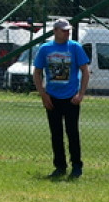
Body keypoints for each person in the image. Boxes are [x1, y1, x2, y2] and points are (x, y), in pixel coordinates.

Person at [32, 18, 90, 179]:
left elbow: (85, 71)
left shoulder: (75, 47)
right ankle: (60, 166)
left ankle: (77, 166)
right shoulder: (45, 49)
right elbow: (37, 72)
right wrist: (43, 94)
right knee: (56, 133)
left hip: (71, 97)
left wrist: (80, 94)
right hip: (52, 97)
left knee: (72, 132)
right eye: (63, 30)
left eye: (68, 30)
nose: (67, 32)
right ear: (55, 31)